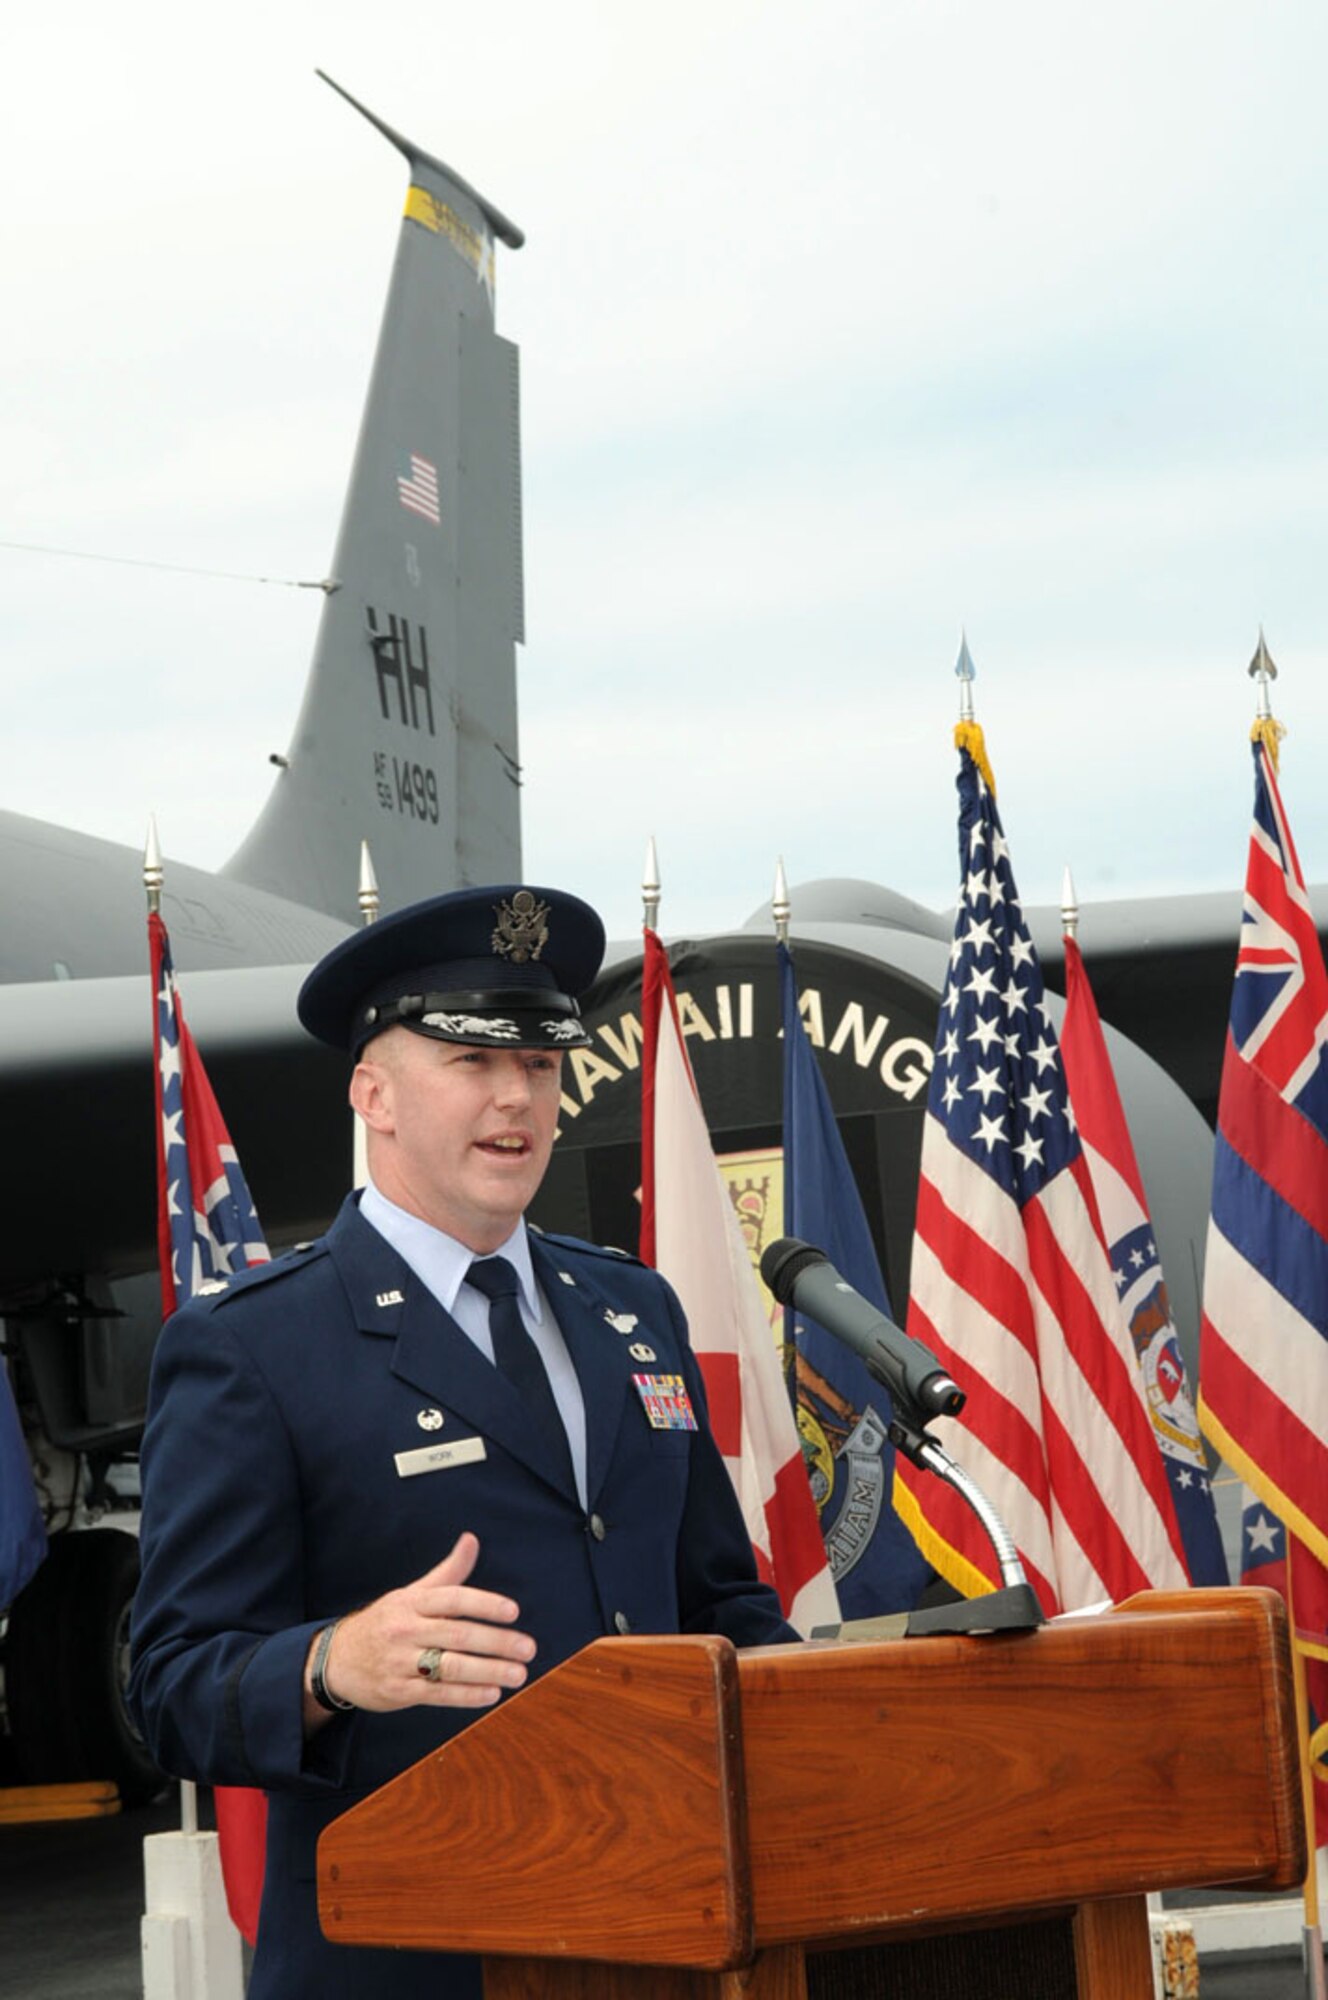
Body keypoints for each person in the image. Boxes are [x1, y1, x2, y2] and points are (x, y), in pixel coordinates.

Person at [129, 884, 797, 1999]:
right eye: (472, 1062)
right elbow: (169, 1687)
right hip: (413, 1957)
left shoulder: (631, 1308)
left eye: (539, 1065)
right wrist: (330, 1663)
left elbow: (718, 1603)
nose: (516, 1098)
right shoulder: (252, 1346)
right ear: (373, 1092)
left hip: (667, 1932)